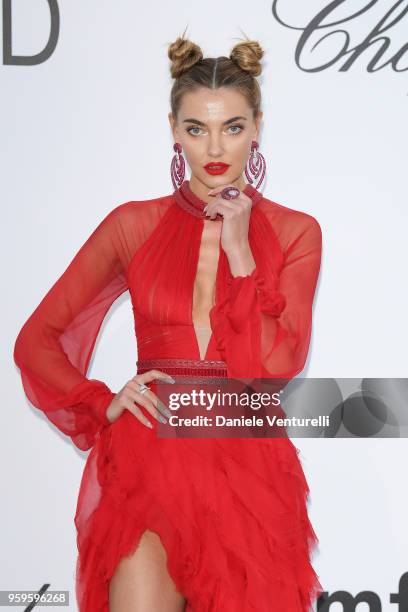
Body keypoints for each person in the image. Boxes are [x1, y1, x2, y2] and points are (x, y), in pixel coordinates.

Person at [13, 31, 323, 612]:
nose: (216, 146)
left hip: (244, 463)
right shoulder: (133, 225)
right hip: (149, 457)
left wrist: (241, 253)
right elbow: (37, 340)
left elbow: (278, 365)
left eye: (232, 126)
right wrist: (100, 400)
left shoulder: (294, 232)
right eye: (197, 127)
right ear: (174, 129)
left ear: (257, 127)